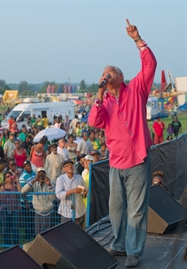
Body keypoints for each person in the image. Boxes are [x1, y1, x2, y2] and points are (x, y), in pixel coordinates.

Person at [87, 19, 157, 268]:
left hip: (138, 160)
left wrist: (137, 40)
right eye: (104, 74)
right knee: (116, 209)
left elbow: (150, 65)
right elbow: (94, 122)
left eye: (110, 73)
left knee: (136, 210)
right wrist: (98, 94)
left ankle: (133, 252)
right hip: (116, 163)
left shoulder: (136, 90)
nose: (106, 76)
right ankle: (119, 245)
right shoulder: (104, 103)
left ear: (120, 76)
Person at [21, 167, 56, 235]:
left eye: (43, 173)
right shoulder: (33, 183)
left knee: (50, 235)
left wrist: (49, 185)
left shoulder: (51, 183)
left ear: (46, 174)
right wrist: (35, 180)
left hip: (49, 212)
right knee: (38, 235)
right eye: (39, 173)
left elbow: (53, 198)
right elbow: (23, 191)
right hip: (38, 213)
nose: (41, 175)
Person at [55, 159, 88, 227]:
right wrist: (72, 191)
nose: (69, 167)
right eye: (67, 166)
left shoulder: (79, 177)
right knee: (67, 233)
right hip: (66, 212)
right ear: (64, 169)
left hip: (79, 210)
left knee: (80, 232)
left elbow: (84, 191)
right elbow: (58, 194)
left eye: (71, 165)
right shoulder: (60, 179)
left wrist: (85, 193)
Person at [0, 170, 21, 246]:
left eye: (10, 176)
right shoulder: (2, 187)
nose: (9, 178)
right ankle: (7, 245)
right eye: (7, 177)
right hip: (5, 210)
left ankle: (15, 245)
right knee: (6, 228)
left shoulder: (15, 185)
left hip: (14, 209)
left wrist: (17, 181)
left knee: (15, 228)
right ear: (5, 179)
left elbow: (20, 191)